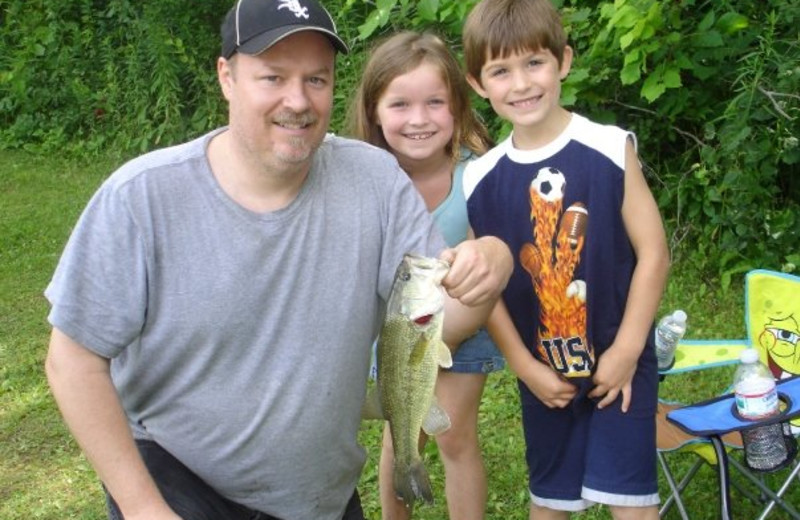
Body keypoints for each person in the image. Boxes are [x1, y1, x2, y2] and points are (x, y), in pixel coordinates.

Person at [43, 1, 513, 519]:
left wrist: (492, 265)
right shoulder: (141, 198)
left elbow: (441, 323)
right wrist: (142, 508)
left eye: (316, 79)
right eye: (272, 77)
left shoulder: (376, 181)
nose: (298, 100)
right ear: (226, 77)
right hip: (180, 486)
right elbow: (74, 360)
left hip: (320, 499)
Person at [460, 0, 671, 519]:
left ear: (564, 61)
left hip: (618, 363)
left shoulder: (607, 146)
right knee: (549, 502)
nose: (521, 84)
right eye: (500, 70)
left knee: (632, 501)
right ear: (478, 83)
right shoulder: (478, 178)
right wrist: (524, 365)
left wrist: (626, 348)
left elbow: (655, 254)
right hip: (544, 371)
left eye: (535, 63)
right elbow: (488, 294)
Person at [347, 31, 505, 520]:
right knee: (401, 431)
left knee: (455, 435)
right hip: (395, 335)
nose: (418, 119)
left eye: (435, 102)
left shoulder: (477, 174)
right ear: (374, 111)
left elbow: (493, 275)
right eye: (400, 105)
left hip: (465, 330)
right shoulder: (363, 178)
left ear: (457, 106)